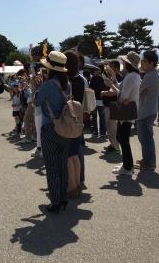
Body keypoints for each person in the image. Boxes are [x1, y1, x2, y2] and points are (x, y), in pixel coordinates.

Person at [33, 51, 70, 213]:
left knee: (51, 167)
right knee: (62, 165)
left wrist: (36, 88)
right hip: (65, 128)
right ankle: (63, 198)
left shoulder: (47, 85)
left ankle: (55, 201)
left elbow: (36, 102)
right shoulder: (66, 84)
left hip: (50, 128)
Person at [105, 52, 141, 176]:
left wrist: (112, 85)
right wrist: (113, 77)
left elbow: (122, 96)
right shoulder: (134, 76)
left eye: (124, 62)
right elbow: (120, 89)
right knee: (122, 138)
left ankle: (127, 167)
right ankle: (127, 164)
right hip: (130, 110)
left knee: (123, 138)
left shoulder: (131, 76)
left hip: (127, 111)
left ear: (128, 63)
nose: (123, 64)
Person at [134, 51, 159, 171]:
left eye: (144, 61)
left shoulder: (150, 76)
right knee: (146, 138)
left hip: (146, 111)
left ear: (151, 63)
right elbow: (142, 91)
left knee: (145, 139)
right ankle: (147, 159)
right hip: (150, 110)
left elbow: (138, 91)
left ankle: (149, 162)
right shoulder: (156, 75)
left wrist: (141, 90)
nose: (142, 64)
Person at [64, 51, 85, 198]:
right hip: (79, 116)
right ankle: (79, 180)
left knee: (69, 154)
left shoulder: (67, 81)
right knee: (77, 151)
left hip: (67, 118)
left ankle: (71, 185)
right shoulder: (81, 79)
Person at [101, 60, 121, 153]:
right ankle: (112, 144)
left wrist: (104, 93)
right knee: (109, 127)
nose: (109, 69)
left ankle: (116, 147)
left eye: (112, 67)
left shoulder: (118, 78)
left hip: (113, 106)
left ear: (117, 68)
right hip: (108, 105)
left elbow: (114, 92)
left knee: (113, 128)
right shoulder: (110, 77)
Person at [89, 64, 108, 137]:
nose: (95, 71)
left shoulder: (95, 78)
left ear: (100, 70)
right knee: (100, 117)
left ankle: (97, 132)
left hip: (97, 99)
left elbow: (90, 89)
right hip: (100, 99)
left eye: (97, 69)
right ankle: (101, 132)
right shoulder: (104, 78)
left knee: (96, 117)